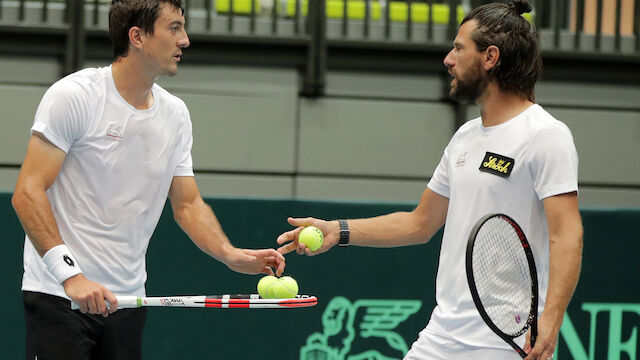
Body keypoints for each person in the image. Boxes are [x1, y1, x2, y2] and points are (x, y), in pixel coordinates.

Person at [276, 1, 583, 359]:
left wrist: (552, 318)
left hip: (505, 342)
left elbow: (567, 234)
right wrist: (338, 230)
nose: (448, 59)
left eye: (458, 47)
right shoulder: (464, 138)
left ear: (490, 57)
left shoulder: (546, 136)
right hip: (442, 335)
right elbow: (420, 223)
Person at [12, 0, 285, 358]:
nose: (184, 40)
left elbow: (187, 204)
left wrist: (230, 254)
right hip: (60, 296)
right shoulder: (74, 96)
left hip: (129, 299)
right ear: (137, 37)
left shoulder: (175, 115)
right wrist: (71, 277)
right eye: (174, 28)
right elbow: (28, 193)